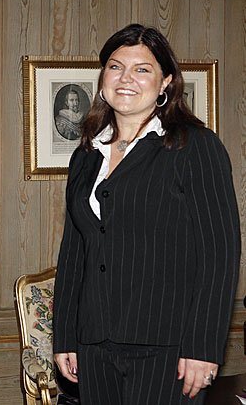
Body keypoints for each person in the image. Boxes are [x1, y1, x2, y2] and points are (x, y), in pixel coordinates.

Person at [52, 23, 240, 405]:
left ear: (165, 82)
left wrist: (204, 346)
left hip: (170, 349)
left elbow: (219, 253)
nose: (126, 78)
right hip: (94, 346)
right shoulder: (85, 156)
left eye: (142, 69)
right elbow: (74, 253)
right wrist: (65, 336)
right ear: (103, 78)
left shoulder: (194, 146)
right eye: (116, 67)